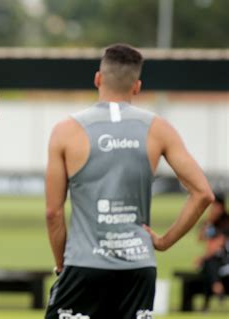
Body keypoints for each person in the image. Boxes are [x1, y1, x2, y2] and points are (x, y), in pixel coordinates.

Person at [44, 43, 214, 319]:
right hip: (138, 266)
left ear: (98, 79)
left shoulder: (66, 131)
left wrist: (62, 265)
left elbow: (53, 213)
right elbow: (203, 193)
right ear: (137, 86)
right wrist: (163, 242)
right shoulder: (159, 128)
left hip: (84, 264)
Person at [197, 192, 229, 307]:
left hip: (224, 259)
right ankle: (216, 288)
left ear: (220, 206)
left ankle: (215, 289)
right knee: (208, 264)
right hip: (213, 259)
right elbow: (200, 238)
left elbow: (218, 245)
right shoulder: (211, 223)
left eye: (213, 206)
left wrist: (203, 258)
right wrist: (209, 221)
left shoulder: (226, 222)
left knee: (208, 263)